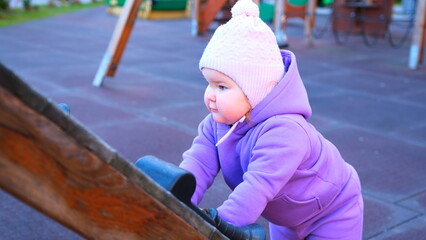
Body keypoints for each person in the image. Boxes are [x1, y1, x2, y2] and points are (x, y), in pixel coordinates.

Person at [179, 0, 364, 239]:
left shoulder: (285, 131)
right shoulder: (215, 124)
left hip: (333, 210)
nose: (210, 96)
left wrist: (215, 224)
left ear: (257, 90)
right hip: (286, 216)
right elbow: (198, 163)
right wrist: (176, 197)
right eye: (209, 83)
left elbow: (257, 187)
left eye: (222, 87)